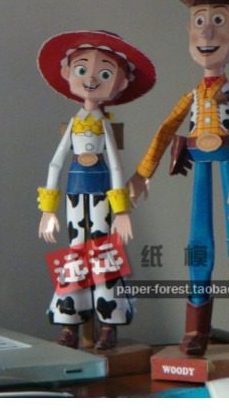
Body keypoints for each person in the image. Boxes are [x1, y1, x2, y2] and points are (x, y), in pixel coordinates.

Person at [127, 0, 229, 356]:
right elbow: (166, 129)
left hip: (228, 163)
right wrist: (143, 173)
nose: (208, 33)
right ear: (188, 30)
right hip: (199, 164)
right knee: (198, 243)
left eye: (219, 21)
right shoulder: (192, 95)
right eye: (199, 22)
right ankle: (196, 328)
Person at [37, 30, 156, 349]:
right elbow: (55, 163)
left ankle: (109, 323)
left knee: (104, 250)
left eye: (104, 73)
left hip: (103, 192)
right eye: (81, 69)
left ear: (121, 83)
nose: (90, 78)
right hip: (75, 192)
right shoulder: (74, 124)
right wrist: (48, 210)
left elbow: (116, 166)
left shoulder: (103, 124)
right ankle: (69, 321)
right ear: (67, 72)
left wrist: (122, 212)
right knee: (76, 249)